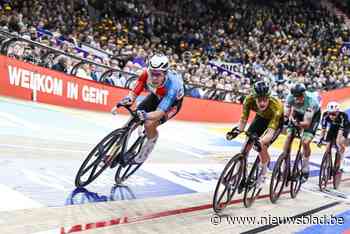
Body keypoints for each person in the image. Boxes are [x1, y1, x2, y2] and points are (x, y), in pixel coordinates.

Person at [117, 54, 184, 164]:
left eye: (158, 75)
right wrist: (128, 99)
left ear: (165, 73)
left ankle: (145, 152)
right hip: (156, 96)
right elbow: (134, 93)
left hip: (172, 104)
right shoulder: (145, 73)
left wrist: (146, 116)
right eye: (152, 73)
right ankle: (112, 151)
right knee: (131, 121)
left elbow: (159, 113)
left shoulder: (173, 86)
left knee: (149, 124)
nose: (154, 78)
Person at [227, 80, 284, 188]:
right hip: (261, 118)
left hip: (275, 122)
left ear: (269, 98)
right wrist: (237, 130)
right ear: (254, 97)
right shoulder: (248, 100)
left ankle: (263, 173)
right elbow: (243, 120)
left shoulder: (277, 106)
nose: (262, 103)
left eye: (265, 100)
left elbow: (270, 131)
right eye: (259, 100)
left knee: (262, 145)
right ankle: (237, 174)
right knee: (245, 146)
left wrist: (260, 142)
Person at [283, 83, 321, 182]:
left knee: (305, 142)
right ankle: (284, 161)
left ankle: (305, 168)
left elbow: (307, 124)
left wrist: (297, 124)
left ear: (304, 95)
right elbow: (286, 114)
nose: (297, 99)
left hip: (312, 117)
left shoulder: (312, 101)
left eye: (299, 97)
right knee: (289, 135)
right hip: (298, 112)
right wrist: (287, 119)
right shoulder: (290, 97)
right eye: (295, 97)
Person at [319, 101, 349, 172]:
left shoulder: (343, 116)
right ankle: (327, 159)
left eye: (333, 114)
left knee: (339, 142)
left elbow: (340, 132)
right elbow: (323, 129)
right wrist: (321, 139)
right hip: (333, 126)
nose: (331, 116)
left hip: (344, 128)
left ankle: (341, 163)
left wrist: (339, 140)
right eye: (330, 113)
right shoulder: (325, 115)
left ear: (338, 112)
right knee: (327, 145)